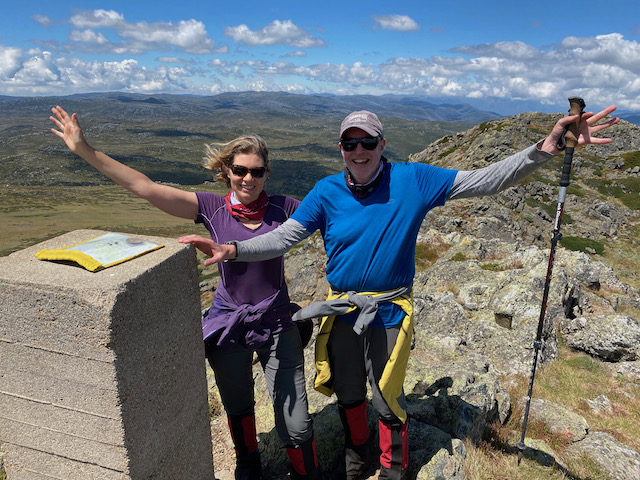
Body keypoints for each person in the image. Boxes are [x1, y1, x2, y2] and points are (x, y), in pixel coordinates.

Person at [184, 104, 619, 480]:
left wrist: (545, 149)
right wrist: (235, 249)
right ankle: (356, 461)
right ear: (340, 148)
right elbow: (284, 238)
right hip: (341, 311)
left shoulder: (415, 180)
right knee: (349, 390)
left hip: (390, 308)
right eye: (349, 144)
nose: (359, 151)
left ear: (381, 143)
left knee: (387, 395)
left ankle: (393, 469)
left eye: (367, 142)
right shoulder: (327, 191)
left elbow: (485, 180)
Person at [48, 106, 322, 480]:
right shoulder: (210, 208)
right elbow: (145, 188)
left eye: (257, 171)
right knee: (238, 407)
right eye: (240, 170)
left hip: (277, 323)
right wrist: (85, 150)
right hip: (228, 326)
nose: (248, 178)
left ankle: (307, 474)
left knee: (297, 421)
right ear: (226, 170)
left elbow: (335, 216)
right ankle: (249, 467)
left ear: (266, 173)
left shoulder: (285, 207)